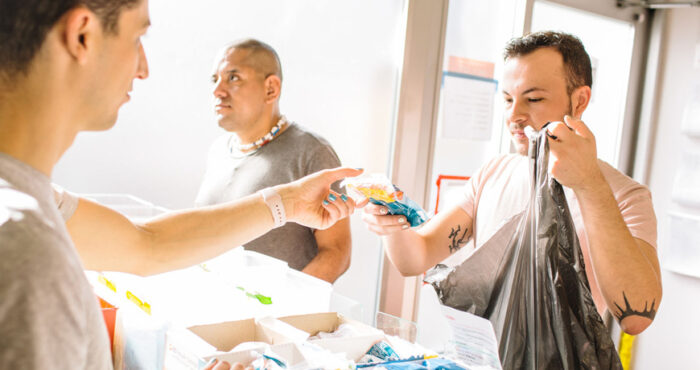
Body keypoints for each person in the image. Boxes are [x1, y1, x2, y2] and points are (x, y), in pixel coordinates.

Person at [0, 0, 359, 369]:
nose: (144, 69)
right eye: (139, 36)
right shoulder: (26, 250)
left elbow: (147, 243)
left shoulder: (31, 203)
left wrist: (285, 201)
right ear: (82, 36)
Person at [361, 31, 662, 336]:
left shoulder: (625, 196)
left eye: (534, 99)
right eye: (507, 99)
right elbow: (416, 257)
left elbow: (637, 317)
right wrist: (391, 221)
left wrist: (589, 185)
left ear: (580, 100)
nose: (514, 115)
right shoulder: (494, 173)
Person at [196, 39, 351, 283]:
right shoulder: (218, 151)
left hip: (273, 317)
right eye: (214, 79)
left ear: (271, 89)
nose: (218, 90)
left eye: (233, 78)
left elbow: (337, 253)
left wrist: (283, 308)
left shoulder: (312, 152)